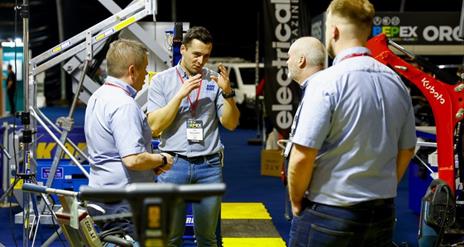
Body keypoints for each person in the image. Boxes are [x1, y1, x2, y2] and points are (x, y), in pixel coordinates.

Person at [287, 0, 417, 246]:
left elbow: (302, 155)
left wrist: (296, 202)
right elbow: (407, 150)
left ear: (333, 31)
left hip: (329, 212)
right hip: (381, 213)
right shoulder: (396, 83)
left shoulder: (325, 82)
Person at [147, 26, 240, 247]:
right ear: (183, 49)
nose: (201, 60)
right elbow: (155, 126)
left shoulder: (215, 80)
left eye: (206, 55)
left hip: (209, 166)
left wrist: (228, 93)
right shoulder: (162, 81)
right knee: (170, 237)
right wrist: (180, 95)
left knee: (208, 238)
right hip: (172, 164)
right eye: (196, 54)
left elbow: (231, 123)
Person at [84, 39, 173, 238]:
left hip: (102, 195)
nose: (147, 76)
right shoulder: (124, 105)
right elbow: (132, 159)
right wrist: (162, 159)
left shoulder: (98, 96)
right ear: (132, 71)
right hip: (123, 204)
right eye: (145, 70)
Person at [284, 36, 325, 157]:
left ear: (301, 60)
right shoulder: (317, 87)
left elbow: (305, 150)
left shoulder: (318, 92)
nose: (287, 62)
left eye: (289, 57)